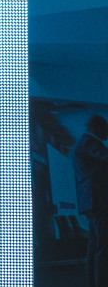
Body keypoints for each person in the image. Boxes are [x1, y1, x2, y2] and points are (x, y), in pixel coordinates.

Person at [76, 115, 108, 286]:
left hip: (91, 201)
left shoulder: (83, 143)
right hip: (99, 201)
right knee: (102, 247)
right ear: (96, 128)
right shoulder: (90, 142)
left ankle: (94, 282)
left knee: (95, 246)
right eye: (105, 128)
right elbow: (105, 156)